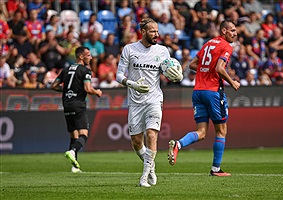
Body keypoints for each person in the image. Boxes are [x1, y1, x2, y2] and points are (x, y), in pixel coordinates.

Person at [167, 20, 240, 176]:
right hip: (213, 91)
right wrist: (232, 81)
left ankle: (178, 144)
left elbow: (193, 64)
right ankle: (216, 169)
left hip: (198, 91)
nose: (235, 33)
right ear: (224, 31)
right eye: (232, 30)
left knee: (201, 132)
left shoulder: (208, 44)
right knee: (221, 130)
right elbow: (220, 68)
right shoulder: (226, 46)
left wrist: (205, 71)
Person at [116, 17, 183, 187]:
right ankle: (151, 167)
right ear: (143, 32)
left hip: (154, 99)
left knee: (152, 134)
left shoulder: (162, 51)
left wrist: (176, 75)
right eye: (152, 31)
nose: (156, 34)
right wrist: (132, 85)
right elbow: (119, 75)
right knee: (136, 142)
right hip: (135, 101)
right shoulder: (129, 49)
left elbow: (169, 69)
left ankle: (144, 177)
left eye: (157, 31)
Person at [51, 46, 102, 173]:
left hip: (67, 104)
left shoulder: (66, 69)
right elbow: (88, 89)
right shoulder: (85, 71)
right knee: (84, 134)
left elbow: (54, 86)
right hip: (78, 104)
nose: (90, 57)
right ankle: (73, 151)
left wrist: (67, 90)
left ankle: (74, 167)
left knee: (74, 135)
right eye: (88, 55)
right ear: (81, 56)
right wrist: (97, 92)